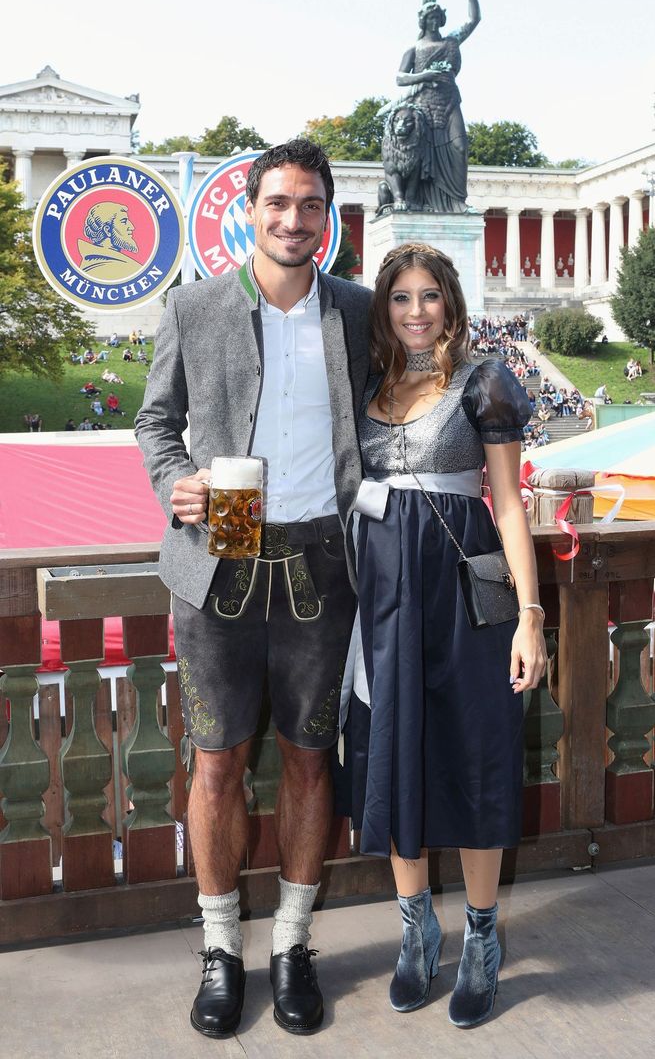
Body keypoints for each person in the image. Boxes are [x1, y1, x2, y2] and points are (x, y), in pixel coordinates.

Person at [135, 140, 372, 1039]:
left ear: (327, 216)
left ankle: (295, 943)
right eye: (278, 203)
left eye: (310, 205)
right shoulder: (194, 305)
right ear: (250, 209)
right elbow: (155, 423)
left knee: (313, 761)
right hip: (217, 565)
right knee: (217, 762)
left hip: (321, 565)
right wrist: (175, 484)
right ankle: (222, 948)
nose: (293, 220)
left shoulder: (355, 310)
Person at [344, 243, 546, 1031]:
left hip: (469, 600)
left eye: (429, 295)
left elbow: (508, 504)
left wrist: (530, 616)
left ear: (452, 301)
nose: (416, 310)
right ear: (383, 308)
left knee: (473, 757)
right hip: (386, 601)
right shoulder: (369, 384)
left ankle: (484, 938)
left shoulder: (482, 381)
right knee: (393, 753)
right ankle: (417, 926)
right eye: (400, 297)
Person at [389, 0, 480, 213]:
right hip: (423, 107)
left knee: (460, 147)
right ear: (423, 20)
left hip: (450, 101)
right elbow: (399, 78)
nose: (434, 21)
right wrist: (425, 75)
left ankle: (457, 202)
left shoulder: (452, 41)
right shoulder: (414, 49)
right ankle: (426, 201)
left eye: (437, 17)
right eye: (429, 17)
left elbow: (474, 19)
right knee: (423, 160)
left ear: (441, 19)